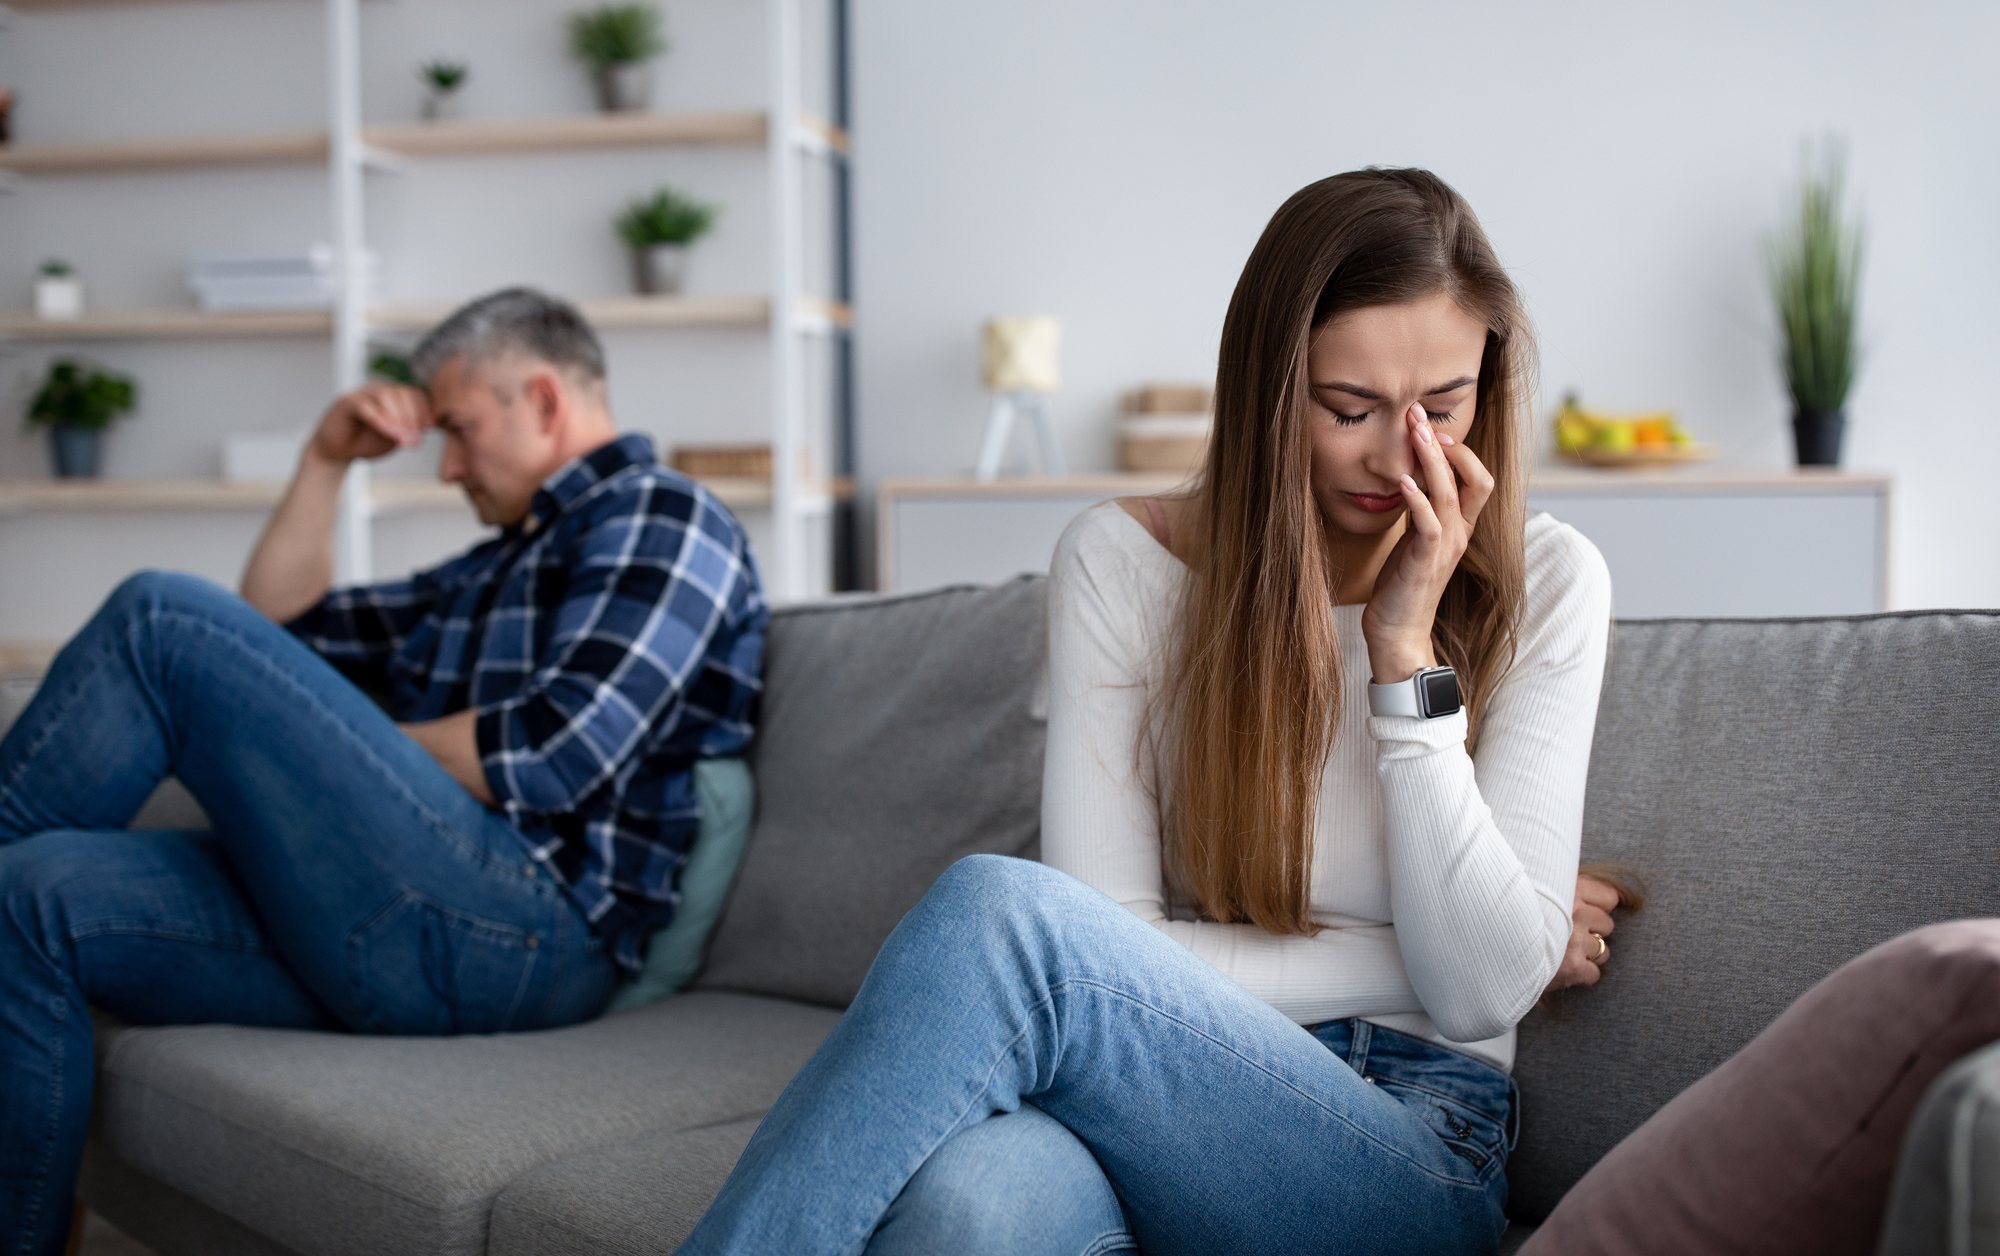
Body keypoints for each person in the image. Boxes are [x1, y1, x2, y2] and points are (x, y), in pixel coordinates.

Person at [673, 169, 1622, 1256]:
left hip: (1410, 1140)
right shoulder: (1123, 565)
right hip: (1144, 1088)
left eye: (1440, 407)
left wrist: (1401, 652)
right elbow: (1114, 945)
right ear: (1269, 389)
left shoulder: (1549, 581)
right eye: (1345, 408)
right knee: (964, 1209)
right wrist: (1477, 940)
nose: (1392, 452)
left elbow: (1474, 997)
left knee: (999, 913)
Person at [0, 288, 768, 1256]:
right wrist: (324, 460)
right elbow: (278, 630)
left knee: (163, 618)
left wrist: (337, 755)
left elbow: (551, 748)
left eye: (455, 427)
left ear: (541, 399)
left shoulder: (664, 515)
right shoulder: (486, 570)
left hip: (527, 926)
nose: (444, 463)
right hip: (406, 907)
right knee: (29, 893)